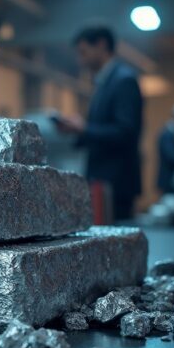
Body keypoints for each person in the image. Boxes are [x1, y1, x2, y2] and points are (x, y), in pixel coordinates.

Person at [55, 26, 143, 220]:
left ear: (101, 45)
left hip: (115, 184)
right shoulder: (105, 82)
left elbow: (126, 131)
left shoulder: (123, 80)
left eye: (83, 52)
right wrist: (77, 131)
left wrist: (85, 128)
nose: (80, 59)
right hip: (104, 182)